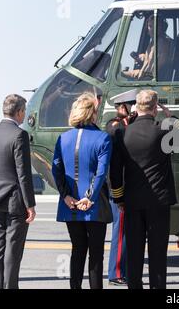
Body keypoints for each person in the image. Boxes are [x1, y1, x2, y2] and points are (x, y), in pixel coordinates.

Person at [111, 90, 178, 289]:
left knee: (134, 253)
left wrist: (119, 198)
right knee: (157, 254)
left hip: (132, 202)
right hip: (159, 201)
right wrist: (172, 117)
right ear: (155, 107)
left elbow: (115, 172)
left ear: (136, 106)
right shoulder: (163, 129)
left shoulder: (122, 133)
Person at [52, 93, 113, 289]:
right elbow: (101, 172)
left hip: (70, 204)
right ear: (93, 113)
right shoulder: (103, 138)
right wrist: (90, 198)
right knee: (96, 254)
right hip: (94, 206)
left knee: (78, 250)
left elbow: (56, 169)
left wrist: (66, 195)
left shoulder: (63, 138)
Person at [0, 94, 36, 289]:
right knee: (13, 251)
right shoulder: (19, 135)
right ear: (18, 112)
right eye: (24, 111)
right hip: (15, 201)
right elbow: (23, 173)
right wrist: (30, 204)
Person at [105, 89, 138, 286]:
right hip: (120, 189)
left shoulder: (129, 124)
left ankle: (123, 270)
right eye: (132, 104)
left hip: (130, 187)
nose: (134, 108)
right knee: (121, 232)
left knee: (129, 232)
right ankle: (116, 272)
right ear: (123, 107)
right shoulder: (115, 126)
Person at [122, 16, 173, 81]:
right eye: (149, 26)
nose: (149, 29)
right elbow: (149, 60)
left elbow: (161, 63)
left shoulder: (163, 42)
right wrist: (142, 57)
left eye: (152, 26)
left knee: (118, 75)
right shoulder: (153, 42)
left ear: (161, 27)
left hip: (149, 78)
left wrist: (145, 77)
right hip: (143, 75)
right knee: (119, 73)